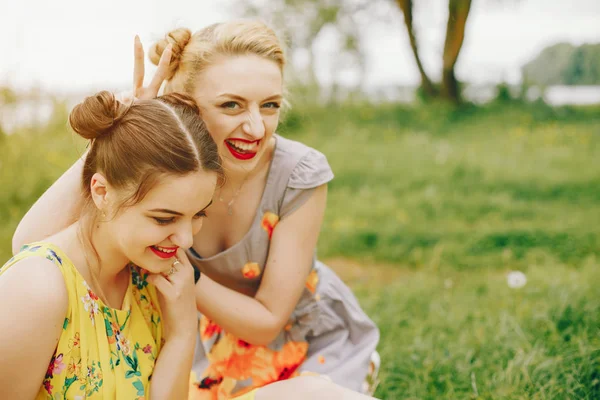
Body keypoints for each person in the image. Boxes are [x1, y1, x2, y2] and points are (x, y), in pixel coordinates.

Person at [12, 20, 381, 399]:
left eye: (270, 105)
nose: (255, 128)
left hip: (298, 338)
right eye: (231, 105)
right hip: (202, 340)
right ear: (185, 104)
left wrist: (183, 282)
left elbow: (267, 321)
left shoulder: (298, 172)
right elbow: (31, 247)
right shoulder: (163, 177)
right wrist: (117, 134)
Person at [1, 91, 220, 399]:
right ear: (102, 192)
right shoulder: (38, 289)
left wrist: (182, 335)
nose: (186, 240)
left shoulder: (155, 280)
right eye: (163, 219)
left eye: (198, 214)